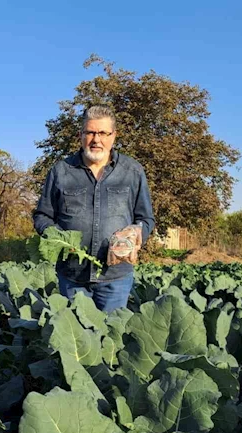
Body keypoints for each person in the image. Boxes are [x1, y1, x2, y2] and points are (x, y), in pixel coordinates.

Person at [32, 105, 155, 312]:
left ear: (113, 136)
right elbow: (42, 215)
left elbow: (146, 218)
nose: (96, 139)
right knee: (77, 338)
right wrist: (59, 239)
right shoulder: (61, 171)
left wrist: (137, 231)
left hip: (116, 276)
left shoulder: (132, 171)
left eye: (103, 133)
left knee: (111, 336)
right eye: (90, 132)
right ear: (81, 135)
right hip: (72, 276)